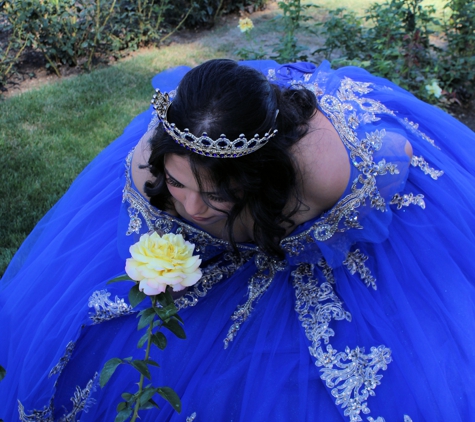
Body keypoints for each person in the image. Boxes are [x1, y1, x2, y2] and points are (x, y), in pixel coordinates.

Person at [0, 58, 474, 421]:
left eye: (218, 193)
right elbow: (174, 207)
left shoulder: (321, 173)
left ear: (257, 177)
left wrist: (299, 231)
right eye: (181, 184)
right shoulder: (150, 163)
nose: (192, 209)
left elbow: (399, 154)